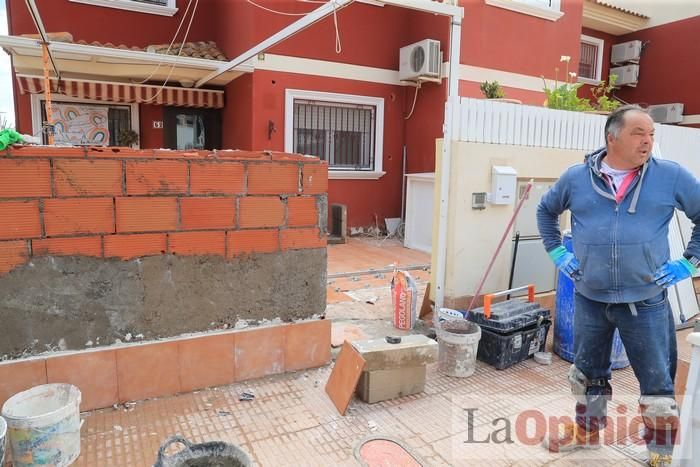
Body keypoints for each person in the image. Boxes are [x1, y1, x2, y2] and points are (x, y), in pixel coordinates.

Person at [536, 104, 700, 467]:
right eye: (639, 133)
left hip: (646, 302)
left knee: (657, 383)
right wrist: (558, 254)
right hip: (590, 298)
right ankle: (587, 431)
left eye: (652, 134)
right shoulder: (576, 178)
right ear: (612, 137)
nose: (648, 141)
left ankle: (660, 452)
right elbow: (545, 211)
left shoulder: (669, 176)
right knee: (588, 373)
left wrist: (688, 262)